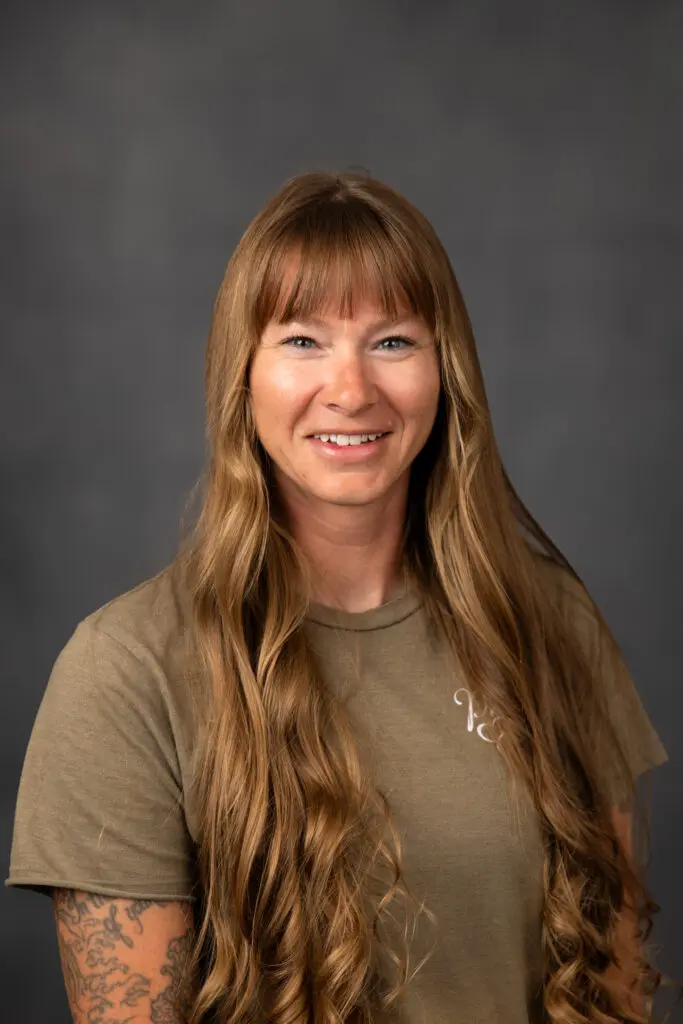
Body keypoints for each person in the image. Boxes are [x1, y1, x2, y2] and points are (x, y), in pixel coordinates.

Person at [6, 170, 675, 1024]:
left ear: (447, 370)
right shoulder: (126, 670)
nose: (352, 389)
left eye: (393, 341)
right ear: (240, 374)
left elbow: (611, 991)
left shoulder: (550, 626)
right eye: (302, 340)